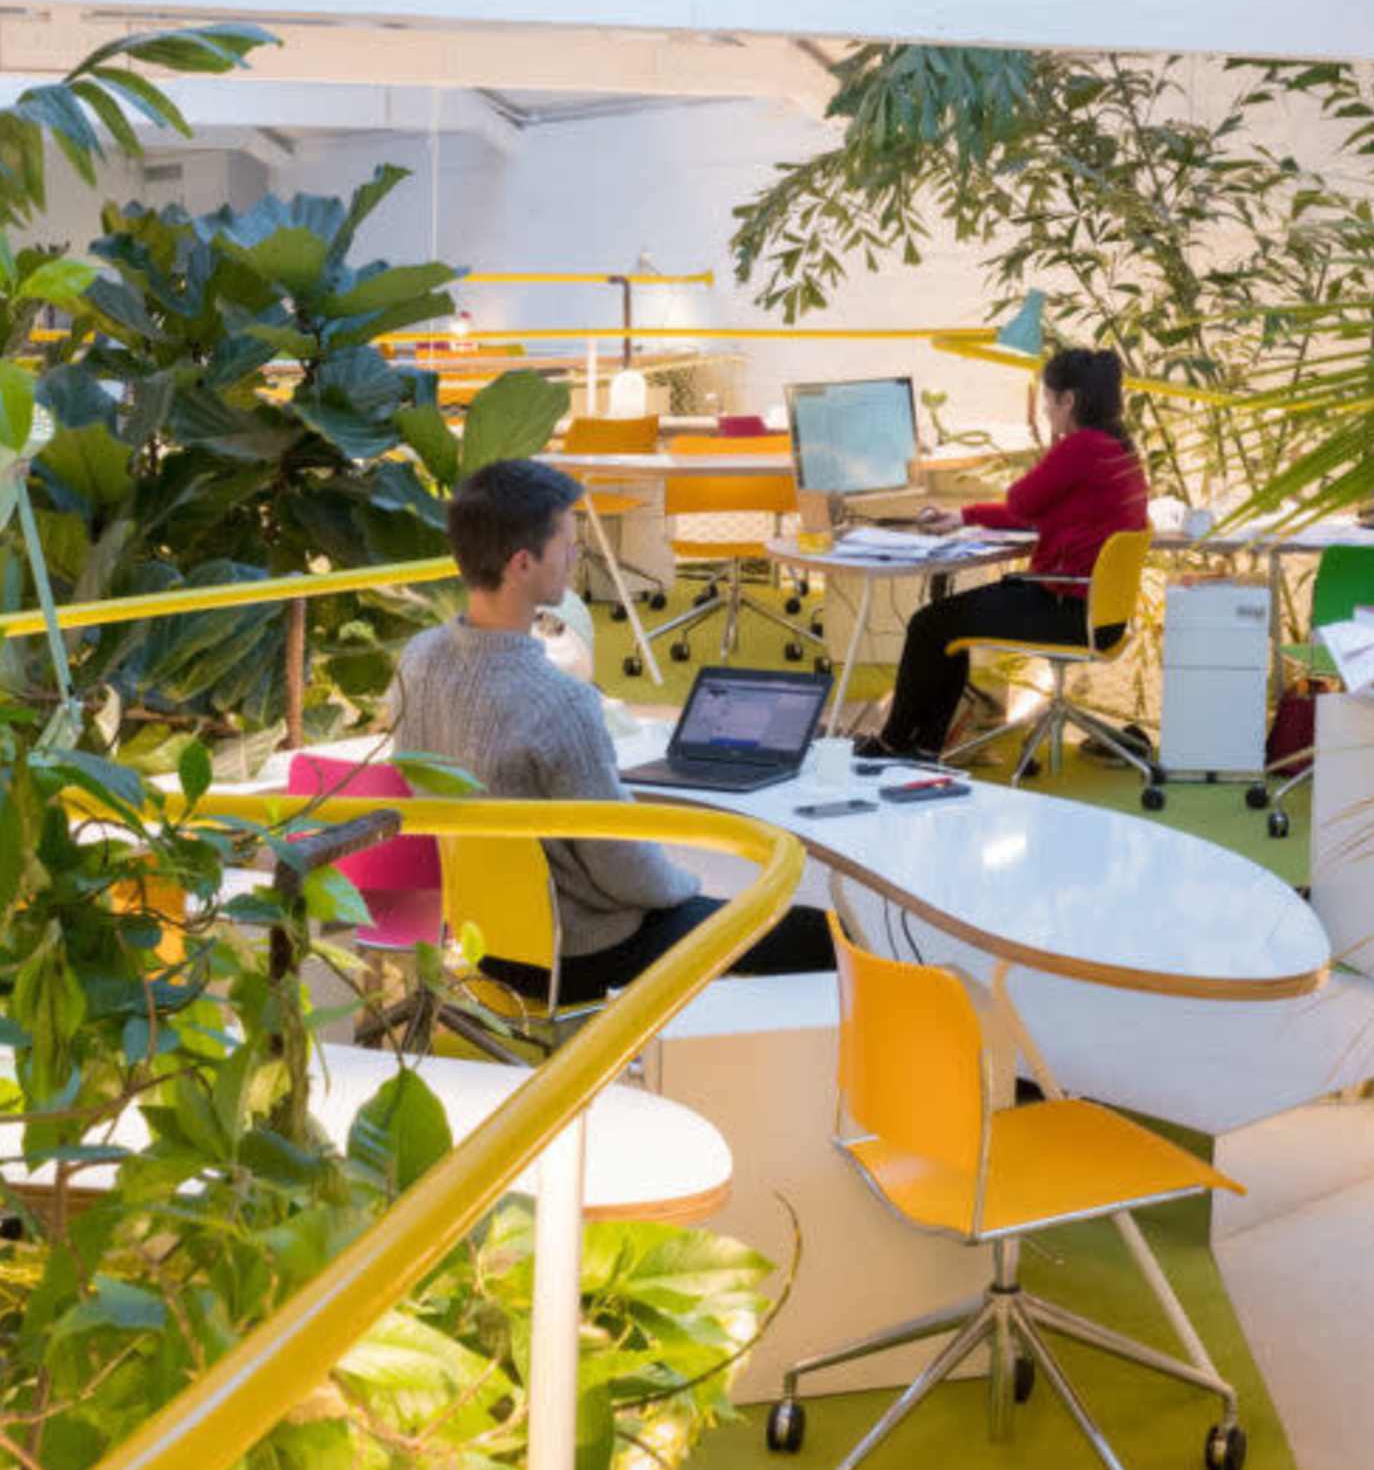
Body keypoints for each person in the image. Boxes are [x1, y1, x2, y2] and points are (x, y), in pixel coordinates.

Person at [390, 457, 835, 1002]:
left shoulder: (417, 661)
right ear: (523, 563)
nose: (577, 556)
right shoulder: (560, 702)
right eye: (567, 546)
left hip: (487, 941)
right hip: (580, 954)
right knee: (822, 935)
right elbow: (624, 870)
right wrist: (687, 885)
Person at [873, 345, 1153, 762]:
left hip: (1066, 609)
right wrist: (964, 515)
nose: (1045, 411)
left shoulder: (1080, 448)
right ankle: (925, 743)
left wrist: (1054, 451)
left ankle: (895, 742)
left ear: (1068, 400)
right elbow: (1037, 515)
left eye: (1048, 400)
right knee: (946, 623)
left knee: (931, 624)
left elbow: (1022, 501)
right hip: (1097, 614)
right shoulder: (1119, 449)